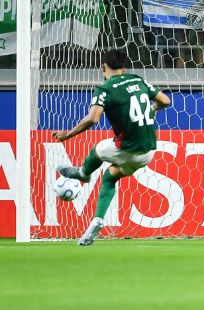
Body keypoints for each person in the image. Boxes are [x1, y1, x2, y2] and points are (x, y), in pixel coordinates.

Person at [56, 49, 171, 245]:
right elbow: (165, 100)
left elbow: (93, 118)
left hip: (127, 148)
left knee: (98, 149)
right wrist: (151, 111)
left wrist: (68, 134)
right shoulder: (137, 80)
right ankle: (97, 220)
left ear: (103, 67)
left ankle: (83, 173)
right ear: (124, 68)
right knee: (110, 177)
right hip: (148, 151)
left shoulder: (105, 88)